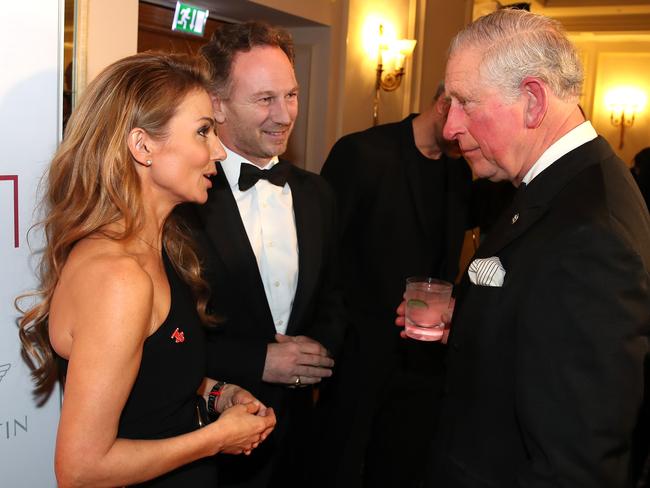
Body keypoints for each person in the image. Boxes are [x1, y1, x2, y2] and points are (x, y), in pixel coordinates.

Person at [397, 8, 650, 487]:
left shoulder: (591, 233)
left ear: (533, 100)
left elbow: (576, 464)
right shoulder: (558, 185)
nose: (450, 127)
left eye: (465, 103)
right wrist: (475, 319)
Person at [16, 52, 276, 487]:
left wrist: (217, 394)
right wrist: (214, 439)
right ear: (142, 146)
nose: (218, 150)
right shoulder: (119, 278)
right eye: (203, 131)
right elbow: (80, 470)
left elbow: (153, 376)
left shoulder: (159, 248)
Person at [179, 22, 346, 488]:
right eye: (264, 99)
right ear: (218, 104)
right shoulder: (182, 201)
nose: (284, 114)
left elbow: (334, 296)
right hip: (208, 439)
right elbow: (163, 335)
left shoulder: (317, 194)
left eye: (291, 95)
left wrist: (316, 354)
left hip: (299, 438)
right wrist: (258, 362)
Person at [314, 85, 472, 488]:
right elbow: (322, 252)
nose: (469, 136)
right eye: (463, 123)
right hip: (358, 350)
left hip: (425, 356)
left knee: (404, 464)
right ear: (442, 105)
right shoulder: (363, 153)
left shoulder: (461, 168)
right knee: (338, 463)